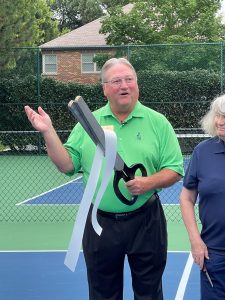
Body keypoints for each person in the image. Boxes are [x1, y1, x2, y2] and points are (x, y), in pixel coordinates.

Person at [25, 57, 184, 300]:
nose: (124, 85)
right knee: (102, 293)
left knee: (149, 292)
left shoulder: (158, 123)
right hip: (99, 223)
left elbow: (174, 169)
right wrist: (48, 132)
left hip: (146, 222)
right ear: (105, 89)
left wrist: (147, 183)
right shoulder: (88, 124)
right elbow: (67, 164)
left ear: (137, 85)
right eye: (117, 81)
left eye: (129, 79)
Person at [180, 94, 225, 300]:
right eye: (217, 115)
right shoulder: (202, 152)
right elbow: (187, 198)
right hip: (214, 254)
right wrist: (195, 240)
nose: (219, 121)